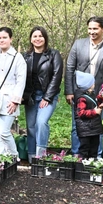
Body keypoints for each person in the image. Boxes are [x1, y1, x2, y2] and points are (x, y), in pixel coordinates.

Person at [64, 16, 103, 156]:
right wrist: (69, 91)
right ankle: (77, 155)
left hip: (98, 95)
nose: (92, 31)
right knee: (78, 125)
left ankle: (96, 156)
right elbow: (69, 68)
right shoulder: (78, 44)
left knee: (97, 125)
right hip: (80, 93)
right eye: (90, 28)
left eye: (95, 28)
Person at [0, 27, 27, 156]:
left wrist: (15, 100)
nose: (2, 40)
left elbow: (21, 80)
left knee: (4, 132)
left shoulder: (18, 58)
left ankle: (13, 156)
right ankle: (2, 160)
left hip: (9, 99)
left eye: (4, 38)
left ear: (10, 39)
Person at [22, 26, 63, 159]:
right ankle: (31, 157)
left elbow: (57, 76)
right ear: (31, 39)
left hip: (47, 95)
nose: (38, 39)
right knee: (31, 127)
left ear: (45, 38)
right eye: (35, 36)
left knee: (41, 122)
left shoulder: (53, 54)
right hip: (31, 97)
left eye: (40, 36)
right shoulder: (25, 56)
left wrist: (47, 97)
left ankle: (41, 157)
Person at [73, 71, 103, 160]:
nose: (94, 84)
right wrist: (94, 112)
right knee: (85, 148)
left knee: (94, 148)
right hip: (86, 130)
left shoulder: (90, 94)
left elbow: (94, 102)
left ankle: (92, 163)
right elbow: (81, 113)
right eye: (93, 83)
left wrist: (101, 97)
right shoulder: (81, 98)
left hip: (94, 128)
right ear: (88, 85)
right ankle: (82, 165)